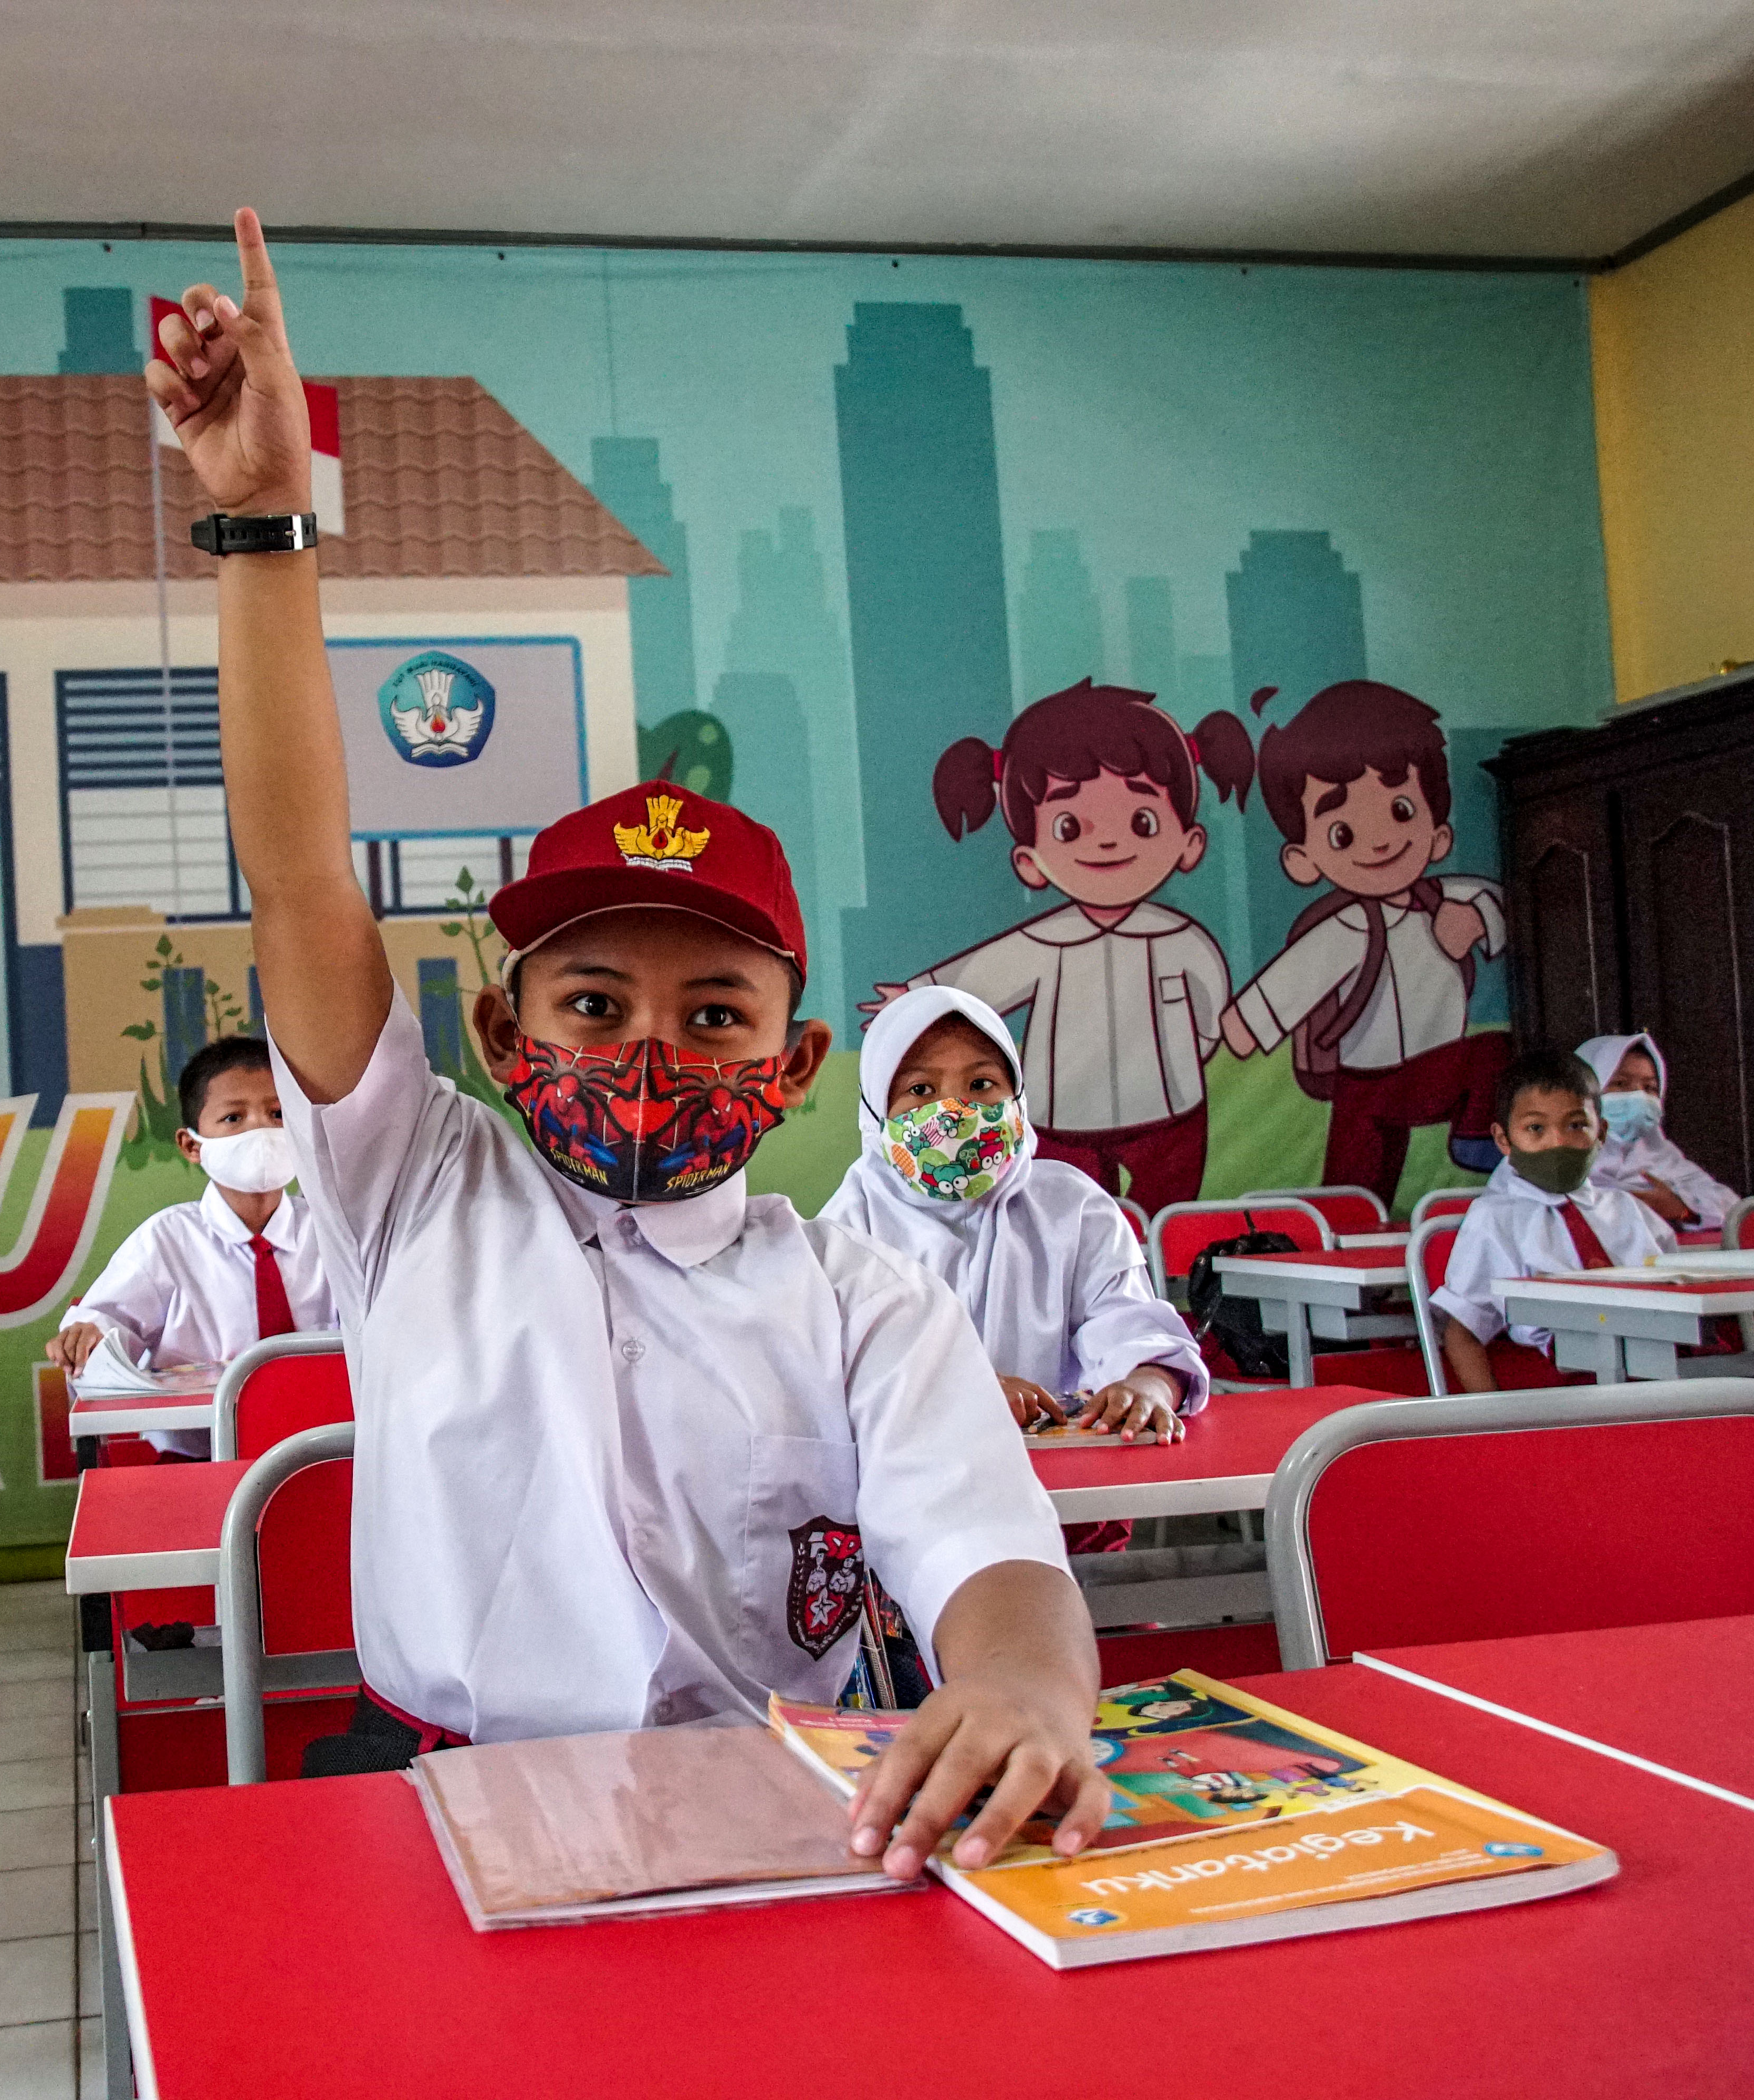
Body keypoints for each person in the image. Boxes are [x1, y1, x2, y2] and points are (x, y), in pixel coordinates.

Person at [147, 210, 1107, 1878]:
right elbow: (301, 874)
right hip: (433, 1808)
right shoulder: (408, 1187)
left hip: (786, 1811)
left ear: (798, 1066)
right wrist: (260, 525)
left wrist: (1023, 1687)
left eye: (712, 1014)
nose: (645, 1051)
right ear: (494, 1026)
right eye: (589, 1002)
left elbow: (990, 1556)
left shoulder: (856, 1298)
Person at [873, 683, 1246, 1213]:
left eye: (1142, 822)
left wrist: (1180, 1058)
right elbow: (978, 982)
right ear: (1030, 860)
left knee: (1167, 1226)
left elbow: (1209, 1013)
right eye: (1070, 826)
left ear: (1190, 845)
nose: (1109, 843)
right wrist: (915, 997)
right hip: (1061, 1116)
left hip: (1171, 1110)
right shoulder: (1044, 942)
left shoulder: (1181, 940)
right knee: (1061, 1226)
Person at [819, 988, 1204, 1445]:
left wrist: (1148, 1381)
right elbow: (830, 1370)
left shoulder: (1071, 1207)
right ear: (876, 1113)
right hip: (903, 1485)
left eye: (981, 1085)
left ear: (1017, 1101)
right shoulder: (847, 1228)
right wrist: (960, 1391)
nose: (955, 1114)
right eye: (921, 1090)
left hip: (1065, 1478)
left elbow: (1124, 1318)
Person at [1217, 681, 1510, 1206]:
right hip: (1366, 1085)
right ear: (1303, 860)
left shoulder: (1446, 897)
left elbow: (1509, 905)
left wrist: (1475, 918)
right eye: (1342, 834)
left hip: (1433, 1067)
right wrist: (1228, 1034)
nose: (1379, 840)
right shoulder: (1344, 930)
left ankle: (1476, 1141)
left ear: (1439, 835)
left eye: (1401, 811)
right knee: (1353, 1200)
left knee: (1495, 1052)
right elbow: (1273, 998)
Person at [51, 1035, 329, 1458]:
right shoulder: (166, 1240)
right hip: (196, 1460)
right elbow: (106, 1329)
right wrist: (87, 1338)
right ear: (192, 1145)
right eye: (234, 1118)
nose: (260, 1129)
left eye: (277, 1113)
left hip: (329, 1451)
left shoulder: (334, 1233)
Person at [1429, 1048, 1672, 1392]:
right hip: (1560, 1387)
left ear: (1601, 1132)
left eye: (1576, 1126)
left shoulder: (1626, 1209)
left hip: (1657, 1374)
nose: (1557, 1142)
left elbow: (1675, 1285)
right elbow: (1464, 1331)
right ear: (1504, 1140)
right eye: (1536, 1128)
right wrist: (1496, 1420)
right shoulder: (1495, 1219)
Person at [1575, 1031, 1736, 1231]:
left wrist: (1681, 1209)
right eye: (1620, 1084)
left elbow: (1732, 1208)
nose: (1638, 1096)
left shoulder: (1659, 1155)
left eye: (1649, 1087)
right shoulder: (1557, 1158)